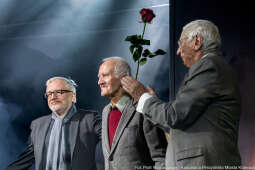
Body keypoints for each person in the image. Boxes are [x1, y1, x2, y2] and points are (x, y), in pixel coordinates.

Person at [121, 20, 242, 169]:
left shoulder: (209, 66)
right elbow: (179, 122)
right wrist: (152, 102)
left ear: (197, 41)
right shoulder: (214, 67)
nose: (178, 51)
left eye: (180, 43)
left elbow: (175, 116)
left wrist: (142, 96)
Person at [6, 76, 101, 170]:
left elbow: (112, 142)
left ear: (73, 96)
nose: (53, 97)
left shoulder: (89, 119)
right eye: (49, 93)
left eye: (59, 92)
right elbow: (24, 161)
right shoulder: (38, 125)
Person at [98, 57, 167, 170]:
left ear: (123, 78)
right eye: (99, 77)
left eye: (105, 75)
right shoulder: (106, 111)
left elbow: (161, 158)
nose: (99, 82)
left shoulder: (143, 108)